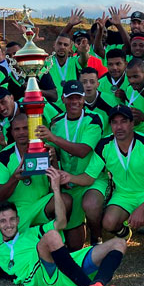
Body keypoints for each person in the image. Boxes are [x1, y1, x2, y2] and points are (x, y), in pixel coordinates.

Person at [0, 168, 127, 286]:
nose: (8, 225)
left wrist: (55, 189)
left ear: (18, 220)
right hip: (42, 275)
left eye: (11, 219)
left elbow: (61, 222)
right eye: (3, 221)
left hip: (67, 267)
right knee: (52, 235)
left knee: (119, 243)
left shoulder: (30, 233)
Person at [60, 105, 144, 265]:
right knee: (108, 223)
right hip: (123, 195)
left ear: (132, 123)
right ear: (110, 125)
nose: (119, 127)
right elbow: (89, 178)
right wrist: (69, 177)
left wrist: (141, 209)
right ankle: (124, 232)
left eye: (124, 121)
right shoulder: (104, 145)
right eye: (114, 122)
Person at [36, 80, 108, 250]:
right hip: (68, 181)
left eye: (78, 98)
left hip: (91, 177)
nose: (74, 102)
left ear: (83, 99)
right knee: (74, 247)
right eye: (70, 98)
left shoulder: (94, 119)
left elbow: (83, 151)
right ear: (63, 99)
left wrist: (54, 139)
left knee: (90, 205)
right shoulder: (56, 122)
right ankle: (78, 224)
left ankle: (96, 237)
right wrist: (52, 155)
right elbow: (56, 155)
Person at [0, 113, 72, 229]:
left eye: (25, 128)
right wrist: (15, 178)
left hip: (41, 205)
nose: (21, 132)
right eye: (17, 129)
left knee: (66, 200)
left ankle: (57, 233)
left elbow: (56, 185)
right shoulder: (2, 157)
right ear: (12, 132)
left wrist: (53, 161)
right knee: (6, 244)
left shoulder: (46, 150)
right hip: (16, 209)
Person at [80, 67, 119, 136]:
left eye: (92, 82)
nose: (88, 85)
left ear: (98, 84)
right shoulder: (75, 103)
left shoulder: (110, 100)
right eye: (84, 82)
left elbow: (118, 124)